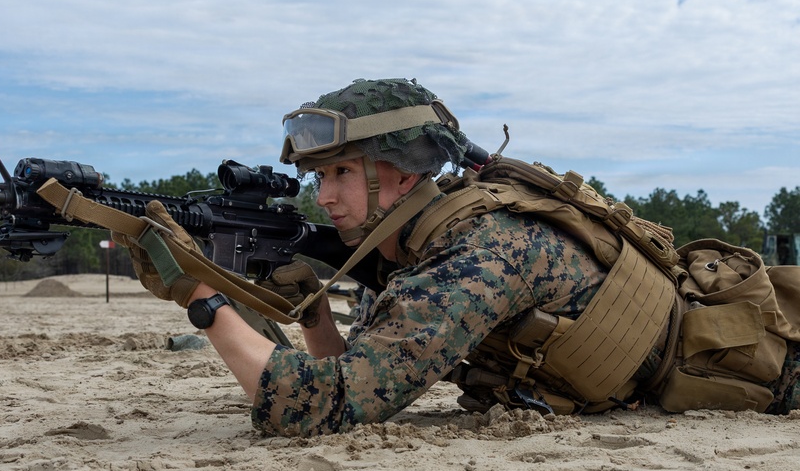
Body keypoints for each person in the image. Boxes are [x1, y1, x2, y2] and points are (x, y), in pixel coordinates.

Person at [125, 77, 800, 437]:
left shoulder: (478, 254)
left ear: (397, 175)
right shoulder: (431, 237)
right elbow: (356, 375)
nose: (322, 196)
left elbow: (308, 408)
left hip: (771, 364)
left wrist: (201, 298)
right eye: (317, 177)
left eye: (338, 174)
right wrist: (310, 309)